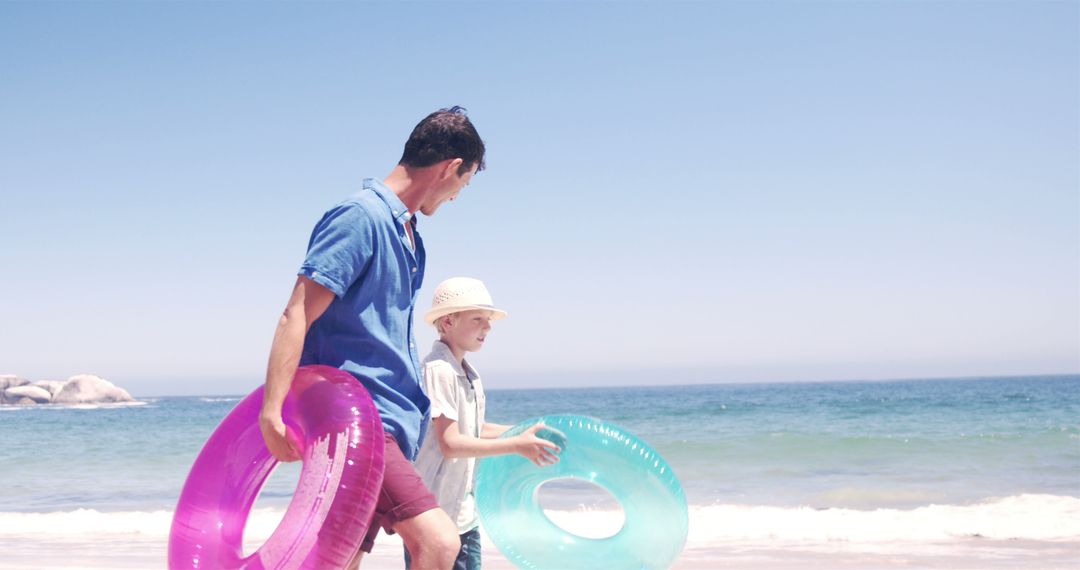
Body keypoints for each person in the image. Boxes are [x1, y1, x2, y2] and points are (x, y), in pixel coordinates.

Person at [258, 107, 486, 570]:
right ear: (449, 167)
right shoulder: (360, 218)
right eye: (465, 182)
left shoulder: (409, 235)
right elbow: (297, 311)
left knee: (338, 560)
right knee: (440, 543)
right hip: (358, 421)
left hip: (393, 424)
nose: (458, 196)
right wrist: (272, 409)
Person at [407, 277, 561, 570]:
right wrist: (516, 445)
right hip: (435, 517)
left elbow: (473, 429)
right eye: (478, 318)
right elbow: (450, 443)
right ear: (448, 321)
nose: (488, 327)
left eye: (488, 319)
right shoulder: (439, 370)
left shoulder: (466, 371)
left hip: (461, 513)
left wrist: (522, 431)